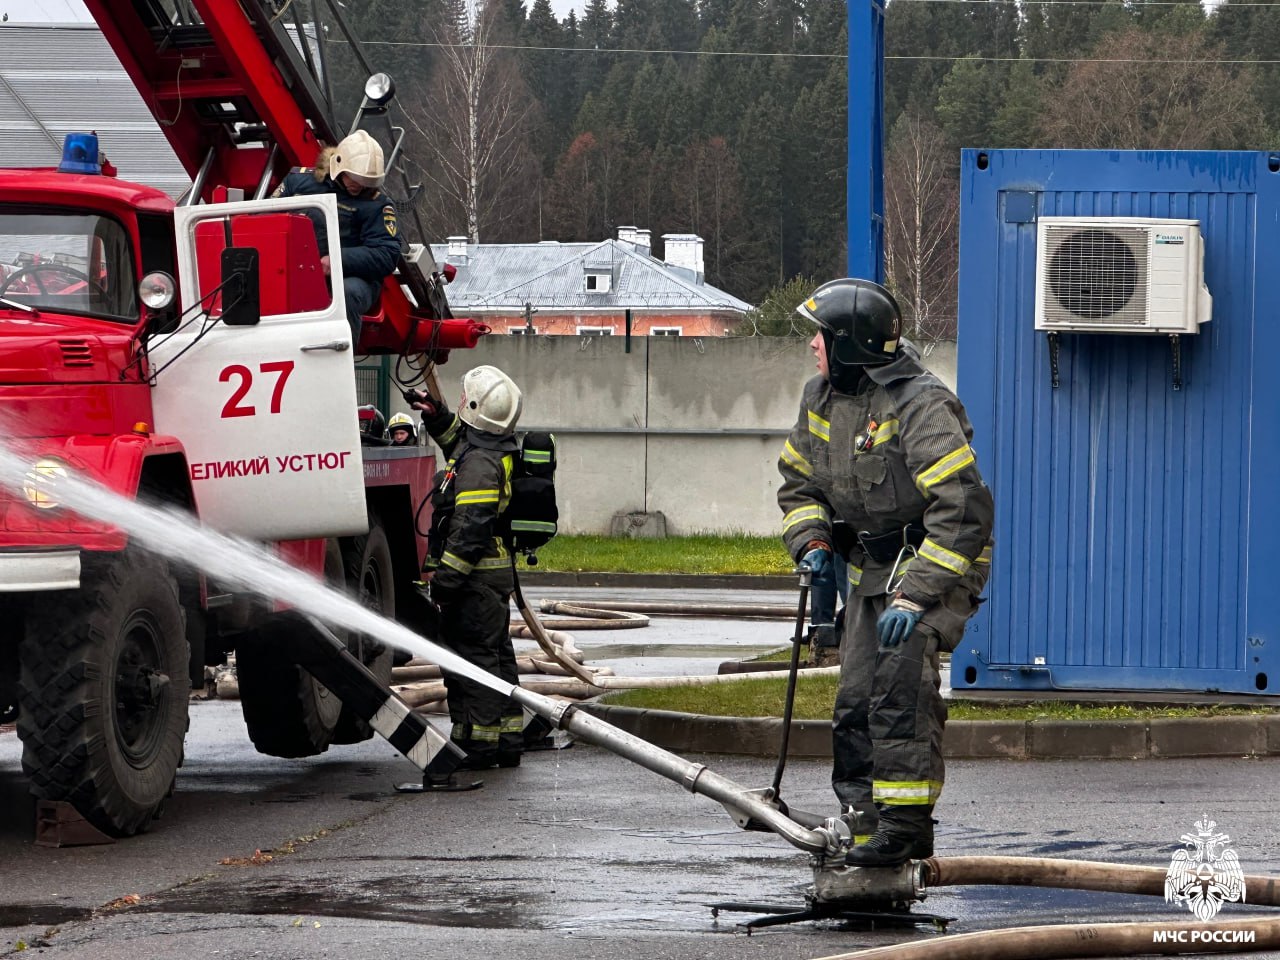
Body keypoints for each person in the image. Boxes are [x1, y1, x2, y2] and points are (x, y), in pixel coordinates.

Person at [776, 278, 994, 867]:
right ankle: (860, 821)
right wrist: (813, 538)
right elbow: (799, 485)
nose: (811, 347)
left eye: (819, 336)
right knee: (854, 700)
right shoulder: (821, 397)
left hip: (937, 561)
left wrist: (916, 597)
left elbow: (963, 510)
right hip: (874, 567)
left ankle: (905, 829)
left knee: (900, 692)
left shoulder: (920, 403)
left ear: (848, 343)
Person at [409, 366, 525, 774]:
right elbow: (459, 442)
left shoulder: (479, 465)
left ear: (476, 408)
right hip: (489, 576)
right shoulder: (487, 449)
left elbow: (470, 527)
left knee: (472, 660)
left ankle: (479, 746)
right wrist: (437, 415)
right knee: (494, 656)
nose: (459, 403)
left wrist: (446, 581)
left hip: (473, 579)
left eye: (463, 400)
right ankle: (507, 739)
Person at [272, 129, 400, 343]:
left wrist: (337, 261)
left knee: (346, 294)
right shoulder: (297, 182)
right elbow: (265, 216)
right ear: (338, 165)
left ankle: (340, 359)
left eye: (365, 182)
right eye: (354, 178)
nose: (358, 185)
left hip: (351, 278)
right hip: (291, 271)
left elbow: (386, 254)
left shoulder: (378, 205)